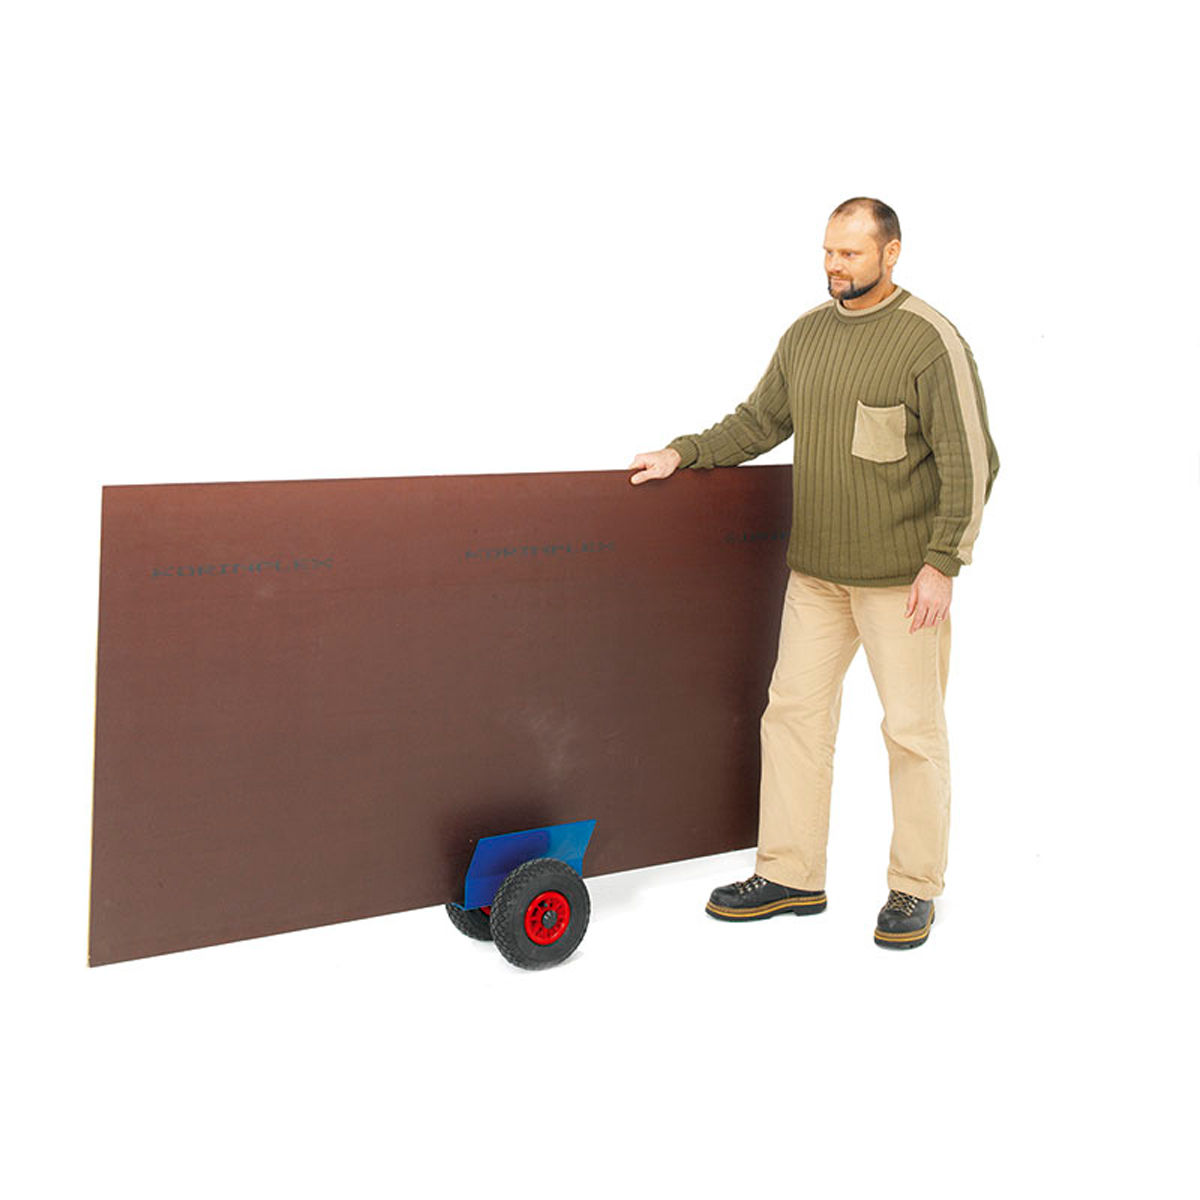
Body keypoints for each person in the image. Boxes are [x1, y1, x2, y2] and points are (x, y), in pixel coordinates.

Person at [629, 197, 999, 949]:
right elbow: (759, 421)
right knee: (792, 717)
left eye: (850, 253)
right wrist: (683, 453)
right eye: (829, 251)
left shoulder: (929, 340)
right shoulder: (805, 336)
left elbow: (973, 461)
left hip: (903, 583)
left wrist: (942, 563)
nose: (834, 266)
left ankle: (914, 887)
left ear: (891, 253)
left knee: (912, 733)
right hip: (818, 578)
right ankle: (791, 874)